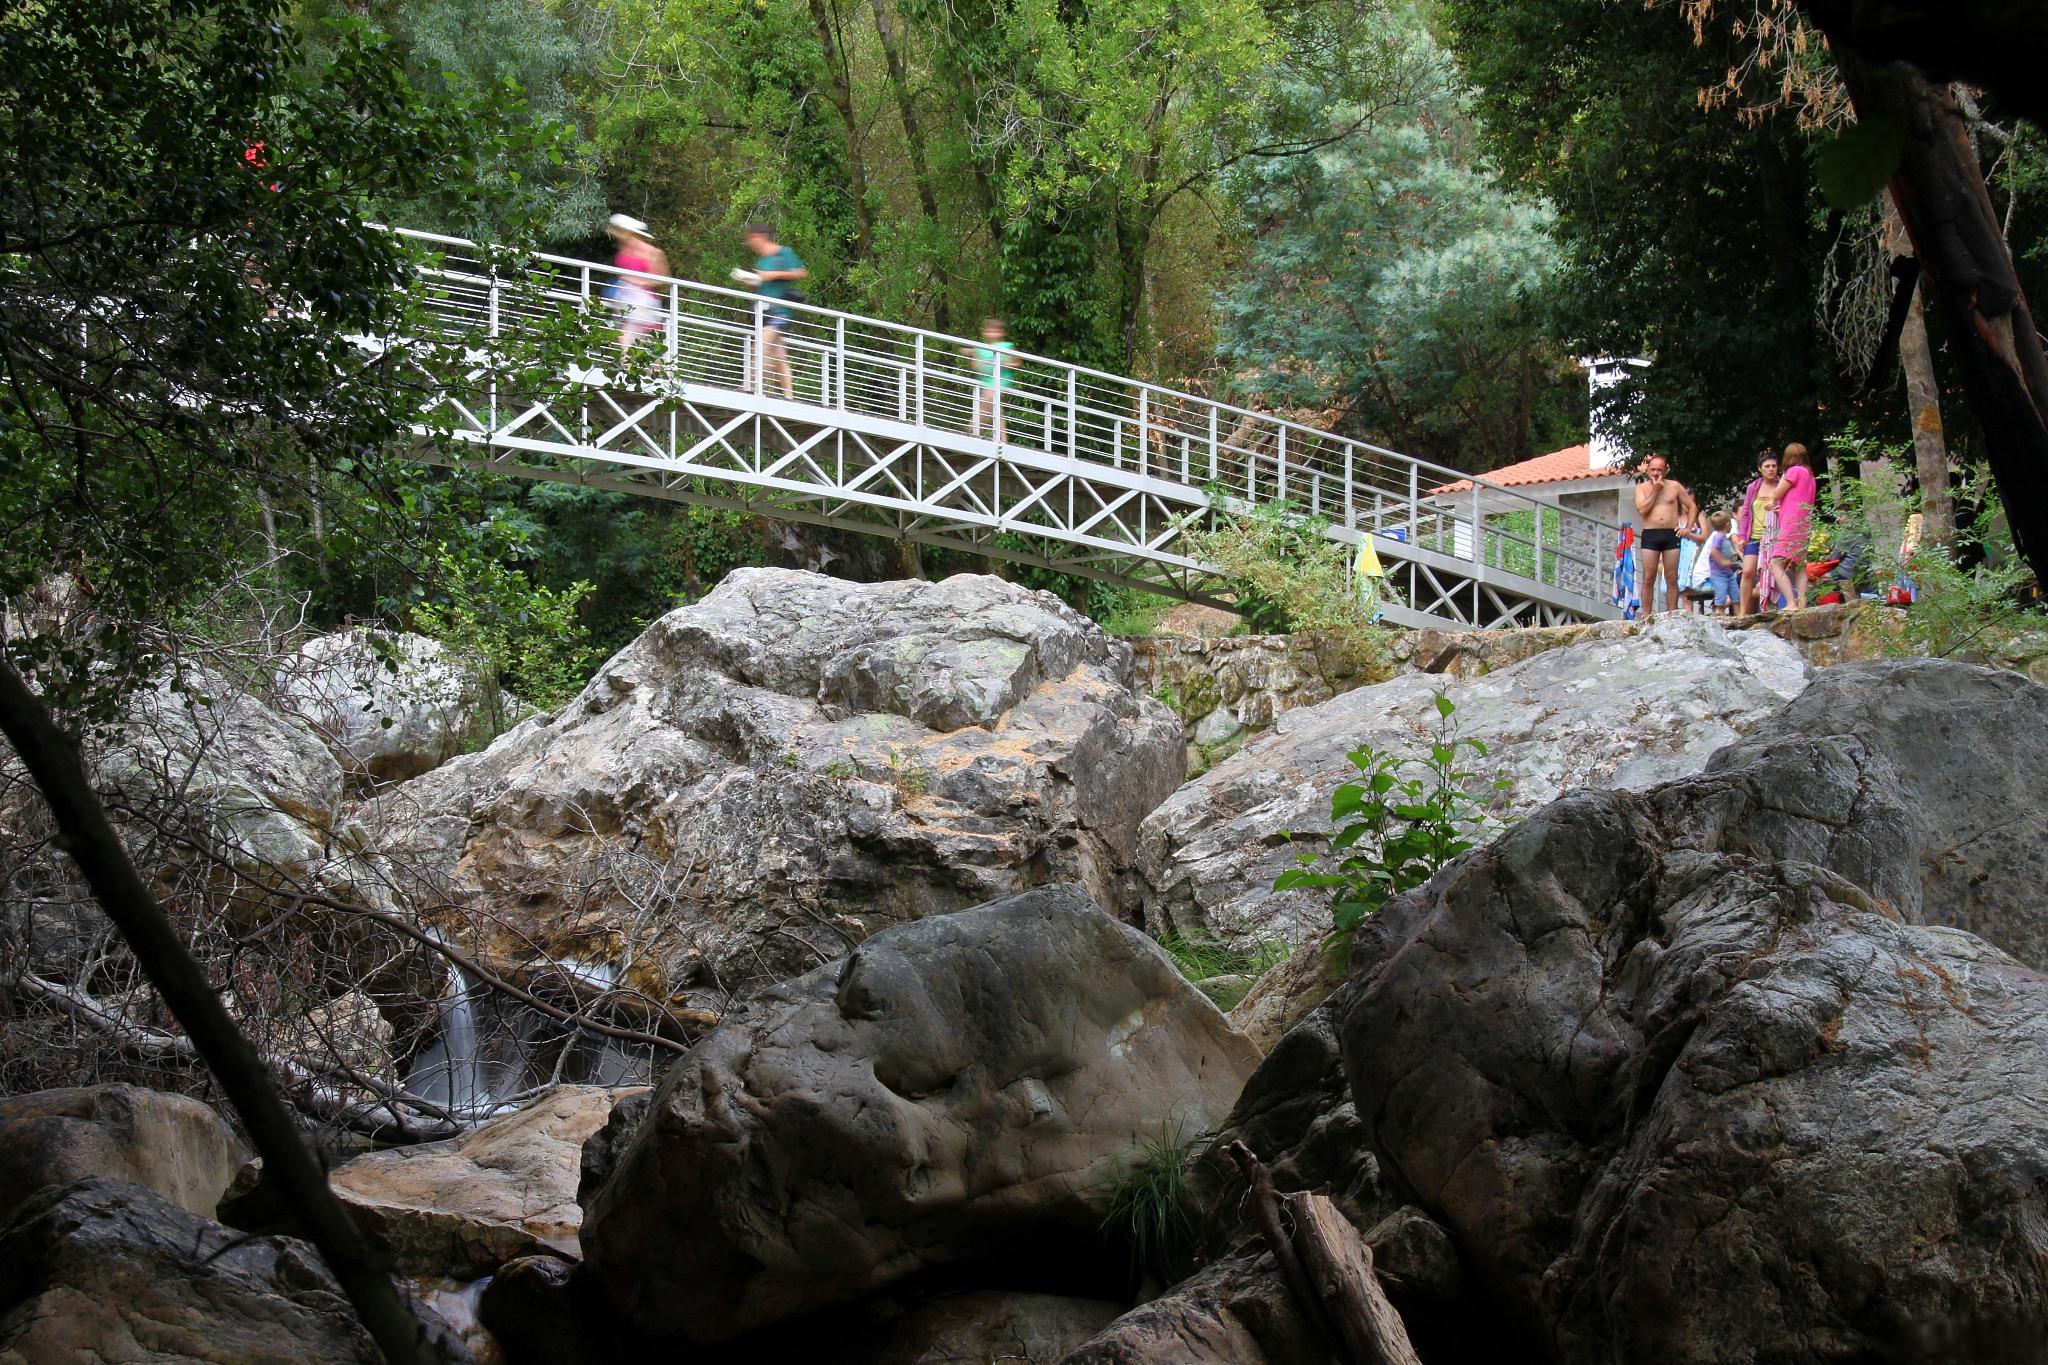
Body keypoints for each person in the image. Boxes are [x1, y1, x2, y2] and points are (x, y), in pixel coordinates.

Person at [738, 223, 807, 399]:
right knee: (778, 354)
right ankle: (789, 396)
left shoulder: (783, 252)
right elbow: (763, 283)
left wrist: (773, 274)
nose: (750, 243)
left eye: (751, 239)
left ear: (760, 236)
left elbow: (800, 272)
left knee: (760, 347)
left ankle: (755, 389)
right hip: (763, 310)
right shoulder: (762, 260)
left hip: (778, 310)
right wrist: (751, 281)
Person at [1632, 454, 1699, 618]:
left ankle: (1672, 613)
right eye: (1653, 469)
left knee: (1671, 577)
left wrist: (1688, 528)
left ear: (1666, 471)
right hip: (1650, 533)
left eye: (1659, 470)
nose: (1656, 473)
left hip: (1670, 533)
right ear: (1647, 471)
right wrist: (1655, 490)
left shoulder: (1675, 486)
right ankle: (1646, 614)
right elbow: (1642, 510)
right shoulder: (1641, 488)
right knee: (1648, 576)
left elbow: (1692, 507)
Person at [1762, 442, 1819, 611]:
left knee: (1775, 564)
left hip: (1791, 525)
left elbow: (1778, 492)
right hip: (1803, 524)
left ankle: (1791, 603)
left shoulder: (1793, 471)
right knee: (1799, 565)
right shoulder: (1809, 475)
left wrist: (1770, 500)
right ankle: (1802, 602)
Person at [607, 214, 668, 357]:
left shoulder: (653, 253)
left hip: (643, 301)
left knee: (639, 341)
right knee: (623, 337)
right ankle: (628, 366)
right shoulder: (623, 250)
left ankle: (634, 368)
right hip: (623, 298)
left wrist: (637, 281)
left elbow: (662, 278)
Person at [1735, 450, 1780, 617]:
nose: (1771, 469)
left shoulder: (1782, 484)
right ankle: (1743, 612)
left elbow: (1789, 509)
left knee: (1770, 574)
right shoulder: (1753, 487)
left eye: (1774, 466)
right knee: (1747, 572)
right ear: (1760, 468)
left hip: (1774, 536)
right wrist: (1741, 536)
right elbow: (1746, 512)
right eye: (1767, 466)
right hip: (1754, 536)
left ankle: (1767, 610)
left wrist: (1778, 510)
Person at [965, 317, 1014, 440]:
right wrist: (973, 355)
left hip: (1001, 381)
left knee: (988, 400)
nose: (992, 334)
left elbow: (1017, 363)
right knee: (996, 409)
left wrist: (1005, 363)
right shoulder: (981, 348)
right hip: (987, 382)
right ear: (984, 332)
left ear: (1002, 333)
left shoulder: (1007, 346)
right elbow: (975, 367)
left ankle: (973, 428)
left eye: (996, 331)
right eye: (990, 330)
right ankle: (1003, 438)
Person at [1705, 511, 1741, 615]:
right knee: (1721, 594)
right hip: (1718, 574)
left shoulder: (1724, 537)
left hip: (1728, 573)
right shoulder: (1718, 537)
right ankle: (1720, 613)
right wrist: (1722, 562)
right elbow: (1714, 551)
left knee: (1735, 593)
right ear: (1727, 524)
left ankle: (1738, 614)